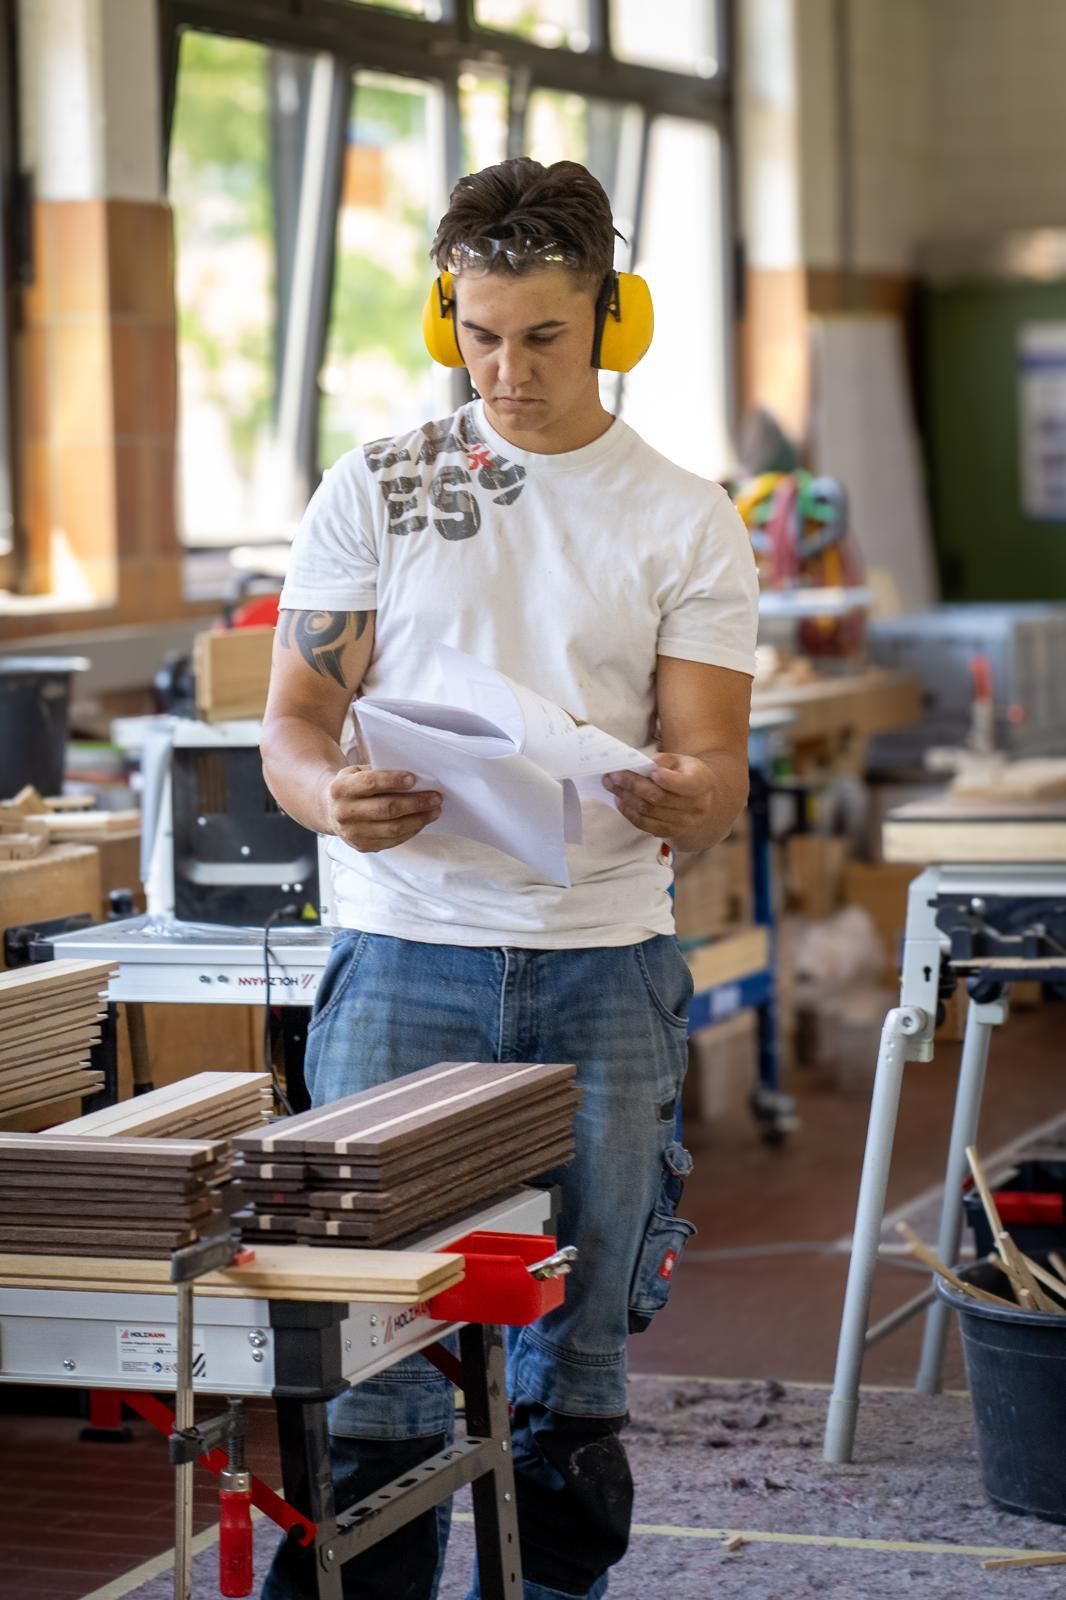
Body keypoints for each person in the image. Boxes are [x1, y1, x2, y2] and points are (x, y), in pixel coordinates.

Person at [259, 155, 758, 1600]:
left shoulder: (683, 516)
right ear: (444, 319)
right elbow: (292, 728)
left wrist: (688, 795)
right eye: (478, 335)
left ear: (614, 319)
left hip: (604, 961)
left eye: (543, 336)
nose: (507, 371)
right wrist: (329, 799)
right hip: (398, 957)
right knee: (374, 1348)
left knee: (574, 1359)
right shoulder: (379, 485)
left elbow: (716, 771)